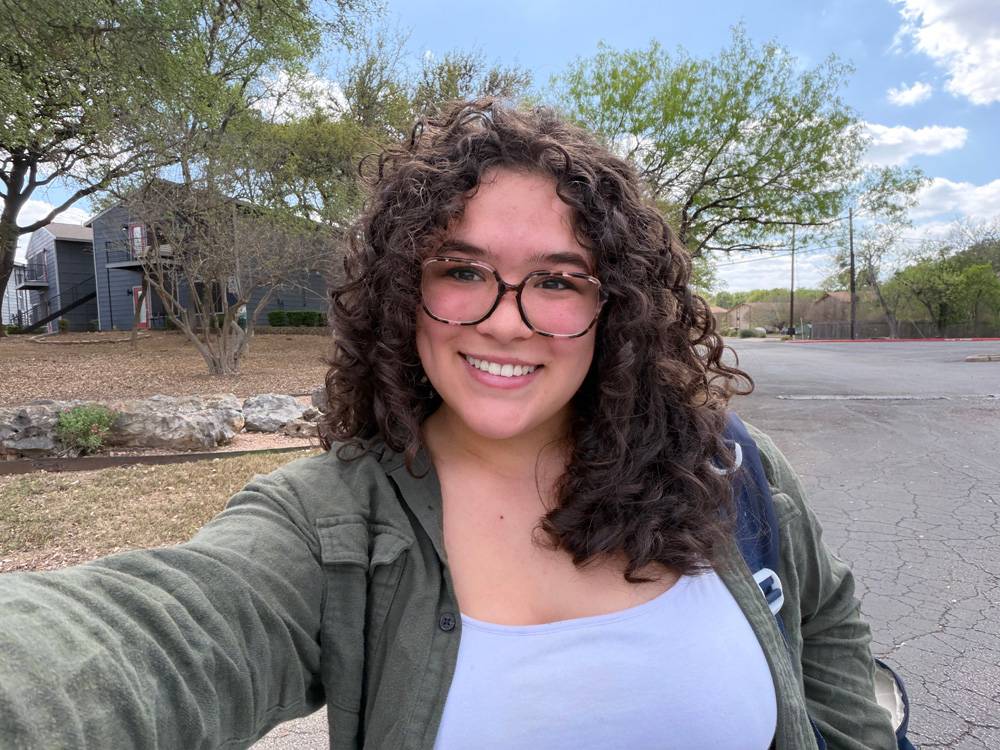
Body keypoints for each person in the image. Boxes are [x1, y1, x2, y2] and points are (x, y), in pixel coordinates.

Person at [0, 99, 896, 750]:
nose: (505, 319)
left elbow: (826, 625)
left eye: (556, 279)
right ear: (404, 290)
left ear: (615, 307)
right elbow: (151, 640)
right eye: (462, 270)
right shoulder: (331, 526)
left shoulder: (728, 470)